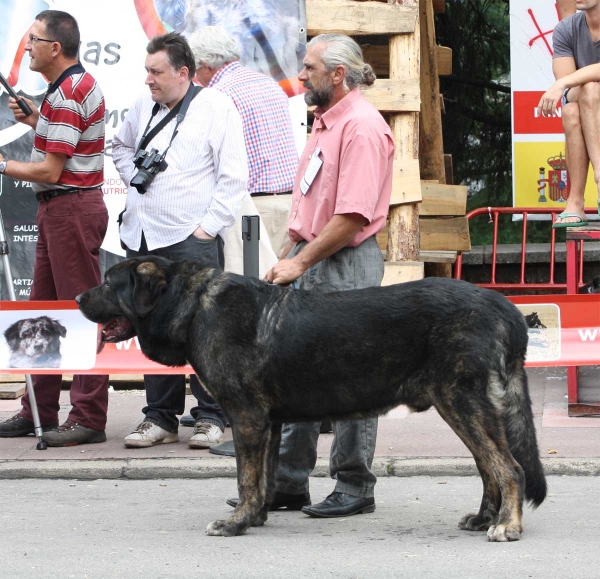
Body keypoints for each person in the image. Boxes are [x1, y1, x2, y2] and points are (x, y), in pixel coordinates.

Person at [229, 34, 394, 517]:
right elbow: (308, 207)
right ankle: (288, 482)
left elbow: (352, 217)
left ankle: (355, 485)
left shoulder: (361, 126)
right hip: (311, 258)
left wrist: (300, 260)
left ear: (337, 74)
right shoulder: (326, 122)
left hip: (342, 262)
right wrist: (287, 256)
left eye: (309, 67)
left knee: (352, 376)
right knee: (294, 370)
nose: (300, 75)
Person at [112, 32, 248, 449]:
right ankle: (159, 417)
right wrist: (134, 178)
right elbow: (118, 145)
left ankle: (210, 416)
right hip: (143, 234)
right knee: (148, 323)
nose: (148, 80)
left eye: (156, 72)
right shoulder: (142, 106)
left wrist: (206, 228)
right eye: (146, 71)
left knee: (204, 328)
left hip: (190, 239)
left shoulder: (216, 107)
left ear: (183, 72)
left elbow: (233, 176)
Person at [0, 10, 109, 447]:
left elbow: (48, 171)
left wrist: (3, 164)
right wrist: (34, 120)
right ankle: (36, 409)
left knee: (83, 314)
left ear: (55, 48)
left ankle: (88, 417)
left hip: (70, 210)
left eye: (34, 40)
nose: (27, 47)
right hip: (62, 211)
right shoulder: (66, 89)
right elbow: (65, 143)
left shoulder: (65, 95)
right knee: (41, 314)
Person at [189, 25, 298, 259]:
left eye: (194, 69)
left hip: (249, 209)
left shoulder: (217, 96)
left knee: (249, 287)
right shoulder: (269, 83)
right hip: (290, 203)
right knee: (282, 286)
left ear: (205, 65)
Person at [538, 0, 600, 227]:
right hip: (587, 106)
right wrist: (566, 83)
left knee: (589, 91)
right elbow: (572, 89)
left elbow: (566, 82)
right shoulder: (565, 29)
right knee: (572, 109)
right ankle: (575, 203)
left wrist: (562, 83)